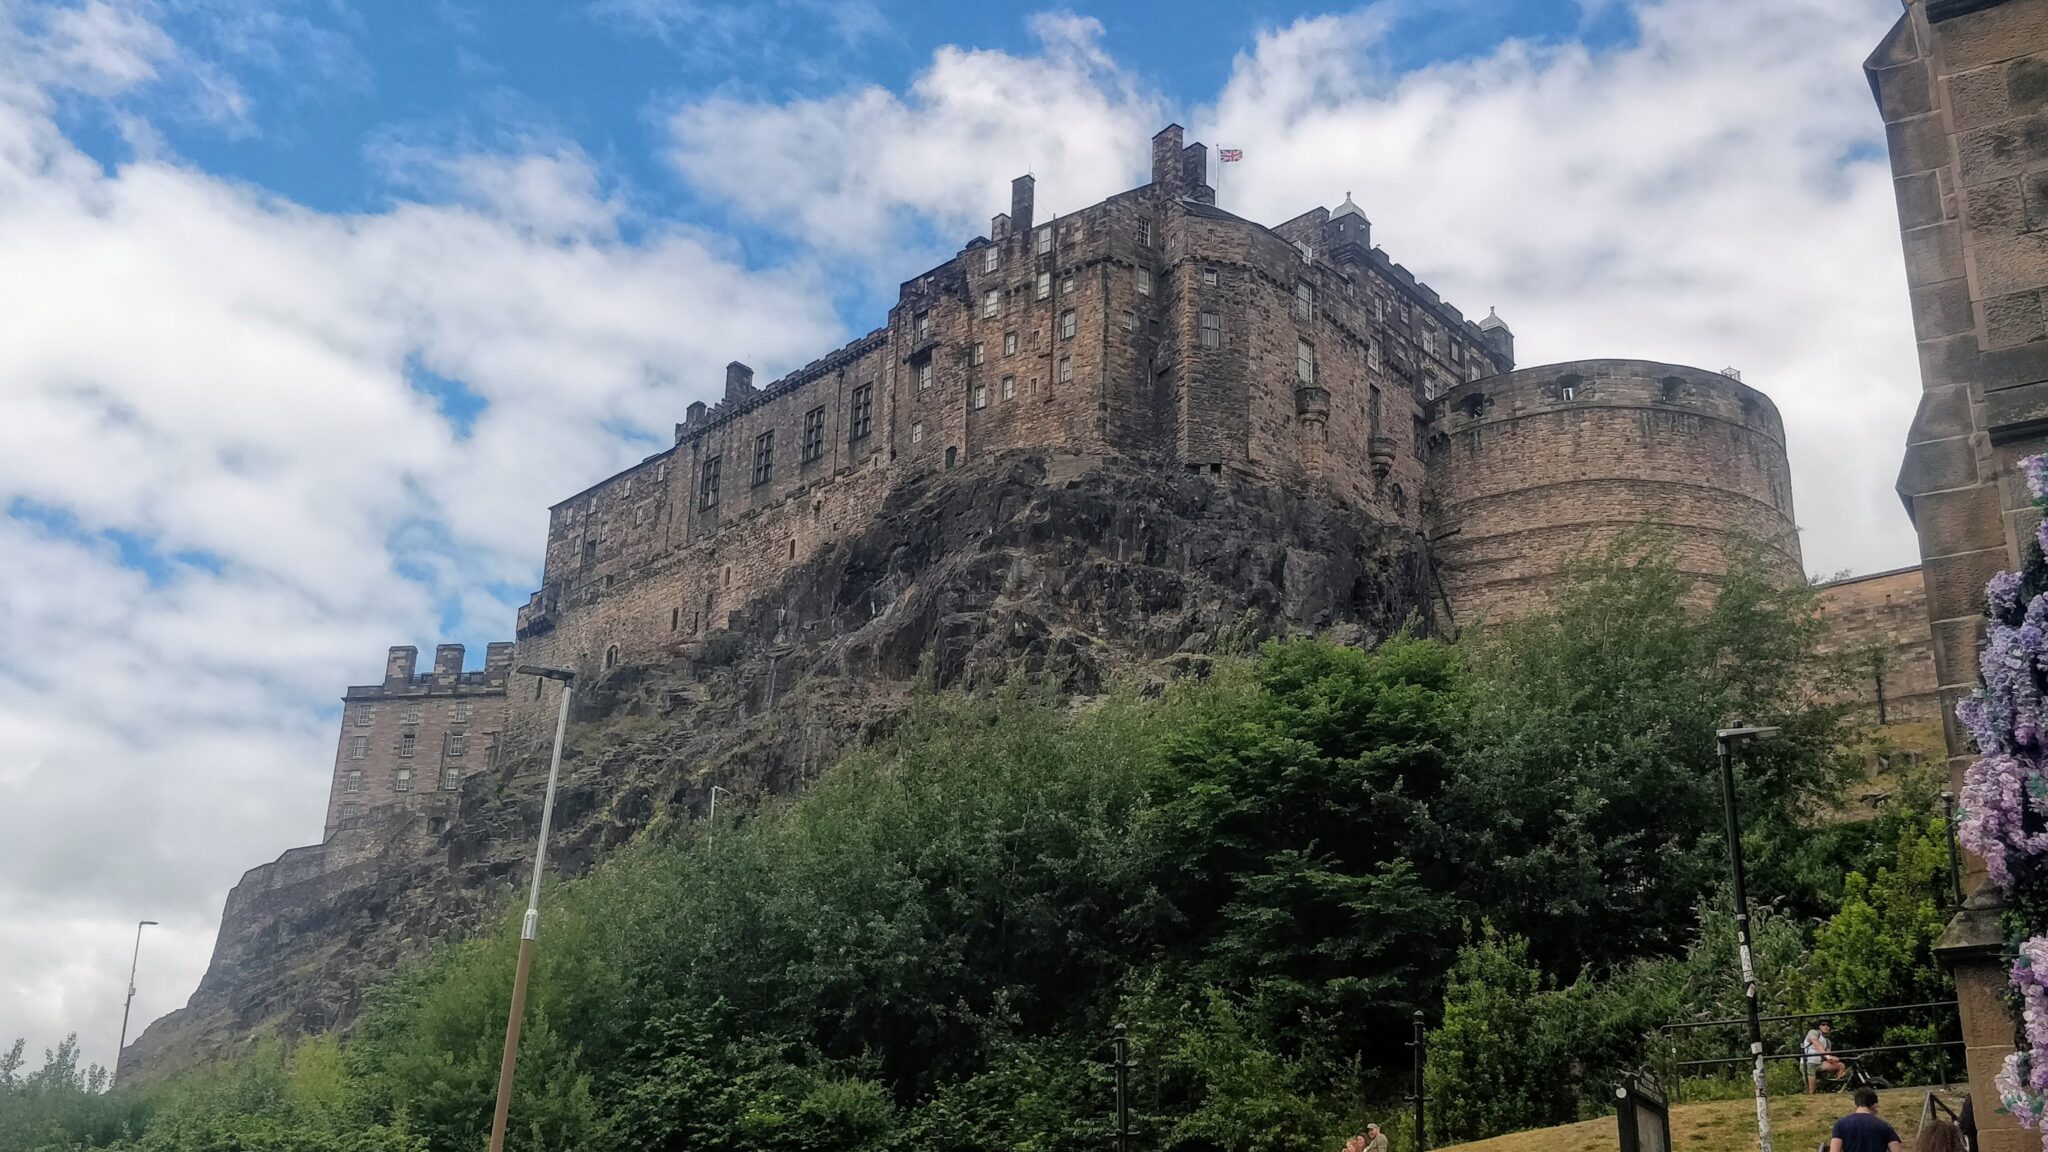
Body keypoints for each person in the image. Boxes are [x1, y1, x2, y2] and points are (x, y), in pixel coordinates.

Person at [1829, 1088, 1902, 1152]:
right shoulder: (1885, 1126)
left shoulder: (1841, 1124)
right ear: (1874, 1105)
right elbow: (1895, 1149)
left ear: (1856, 1104)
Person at [1804, 1018, 1847, 1093]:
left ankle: (1838, 1088)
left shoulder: (1827, 1041)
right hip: (1808, 1063)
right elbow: (1816, 1043)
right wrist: (1827, 1055)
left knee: (1841, 1065)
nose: (1825, 1026)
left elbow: (1827, 1057)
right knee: (1812, 1091)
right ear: (1819, 1026)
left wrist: (1833, 1058)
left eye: (1828, 1025)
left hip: (1819, 1064)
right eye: (1823, 1024)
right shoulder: (1813, 1032)